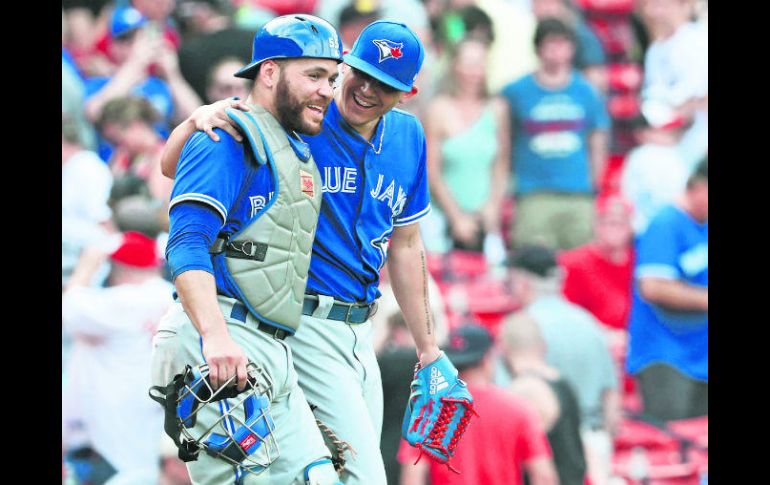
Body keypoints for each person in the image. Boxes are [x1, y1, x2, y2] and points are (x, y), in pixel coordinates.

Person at [160, 20, 463, 484]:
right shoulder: (300, 120)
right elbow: (185, 189)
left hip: (356, 329)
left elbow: (406, 244)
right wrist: (196, 119)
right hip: (291, 322)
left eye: (384, 84)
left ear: (408, 92)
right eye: (357, 73)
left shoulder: (405, 137)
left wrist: (429, 348)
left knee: (323, 476)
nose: (363, 89)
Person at [149, 14, 344, 484]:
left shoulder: (291, 143)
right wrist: (215, 337)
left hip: (269, 347)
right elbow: (187, 242)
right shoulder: (228, 133)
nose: (327, 90)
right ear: (270, 72)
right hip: (219, 336)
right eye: (314, 75)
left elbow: (168, 164)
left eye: (332, 78)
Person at [500, 244, 620, 485]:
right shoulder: (589, 323)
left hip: (549, 449)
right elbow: (611, 396)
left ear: (522, 282)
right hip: (595, 441)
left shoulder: (523, 330)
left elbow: (509, 404)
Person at [62, 231, 173, 485]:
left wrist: (88, 264)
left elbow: (70, 307)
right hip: (152, 415)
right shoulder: (172, 296)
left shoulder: (125, 299)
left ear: (118, 269)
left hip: (113, 428)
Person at [398, 324, 559, 485]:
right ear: (487, 358)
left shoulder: (427, 413)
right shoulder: (520, 409)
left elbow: (412, 477)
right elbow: (543, 476)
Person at [502, 17, 610, 251]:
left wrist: (593, 184)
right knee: (532, 268)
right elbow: (504, 141)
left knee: (581, 267)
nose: (556, 51)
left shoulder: (587, 91)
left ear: (572, 48)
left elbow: (597, 139)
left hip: (578, 194)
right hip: (533, 195)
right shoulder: (515, 92)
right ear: (538, 48)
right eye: (550, 44)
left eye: (562, 44)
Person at [626, 158, 708, 423]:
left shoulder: (703, 225)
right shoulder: (665, 223)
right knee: (673, 439)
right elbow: (653, 286)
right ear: (697, 186)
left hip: (699, 353)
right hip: (665, 355)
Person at [424, 36, 510, 253]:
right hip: (442, 217)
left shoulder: (497, 109)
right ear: (455, 66)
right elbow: (432, 172)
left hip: (485, 219)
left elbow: (501, 165)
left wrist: (492, 207)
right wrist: (457, 217)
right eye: (469, 64)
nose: (475, 72)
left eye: (480, 64)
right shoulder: (438, 109)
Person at [500, 312, 588, 485]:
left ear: (503, 349)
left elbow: (540, 469)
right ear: (542, 346)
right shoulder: (563, 384)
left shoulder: (524, 391)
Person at [638, 0, 708, 170]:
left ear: (684, 6)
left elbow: (701, 98)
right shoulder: (655, 49)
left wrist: (674, 129)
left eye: (663, 6)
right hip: (666, 136)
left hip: (698, 139)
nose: (656, 12)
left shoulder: (698, 41)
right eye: (652, 6)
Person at [558, 195, 635, 338]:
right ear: (596, 224)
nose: (614, 226)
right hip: (591, 340)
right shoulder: (572, 263)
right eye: (607, 221)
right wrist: (604, 335)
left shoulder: (640, 262)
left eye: (621, 222)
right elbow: (566, 315)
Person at [620, 103, 691, 235]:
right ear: (642, 132)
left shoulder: (673, 153)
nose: (672, 134)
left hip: (670, 227)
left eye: (673, 130)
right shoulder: (646, 155)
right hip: (650, 228)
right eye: (666, 130)